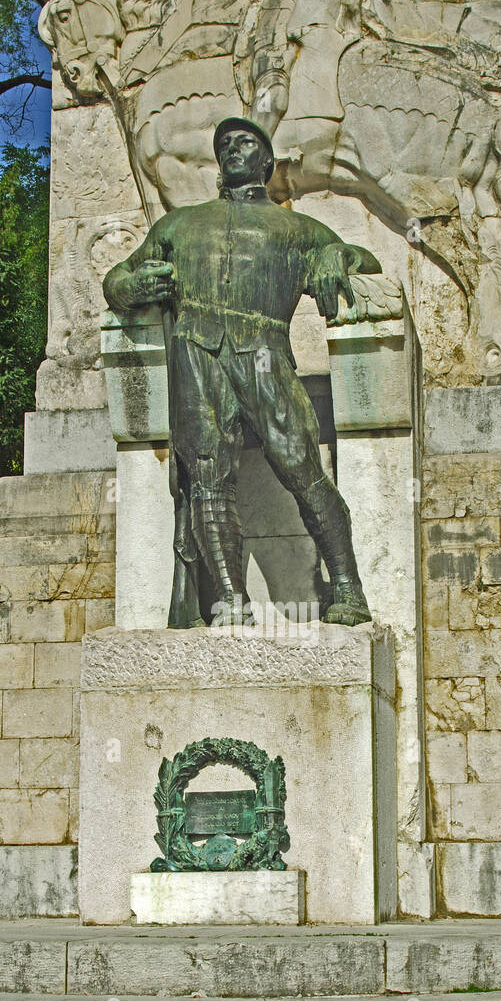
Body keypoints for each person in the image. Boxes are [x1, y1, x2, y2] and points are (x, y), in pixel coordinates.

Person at [103, 116, 377, 626]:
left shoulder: (298, 229)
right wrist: (129, 288)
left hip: (264, 353)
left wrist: (338, 253)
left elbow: (363, 260)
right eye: (224, 143)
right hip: (196, 353)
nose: (233, 149)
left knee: (302, 468)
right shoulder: (178, 225)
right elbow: (119, 274)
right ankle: (230, 598)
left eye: (245, 142)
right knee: (207, 473)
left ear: (267, 162)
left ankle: (347, 585)